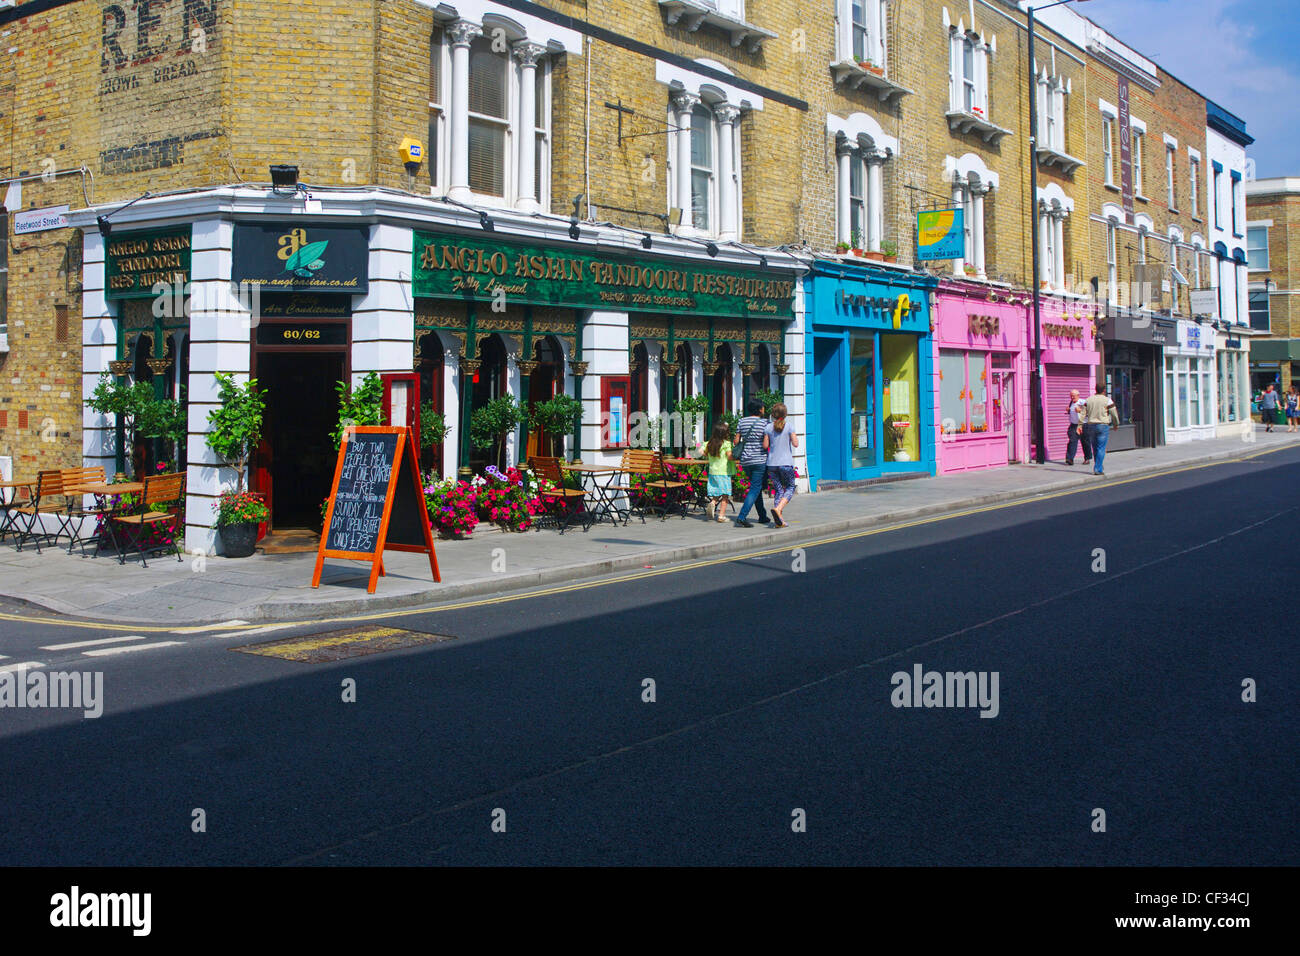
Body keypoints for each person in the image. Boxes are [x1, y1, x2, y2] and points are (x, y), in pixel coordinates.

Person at [733, 399, 771, 528]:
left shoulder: (742, 421)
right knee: (755, 488)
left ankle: (762, 516)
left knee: (756, 487)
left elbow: (736, 441)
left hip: (745, 460)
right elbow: (767, 443)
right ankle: (742, 516)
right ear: (760, 409)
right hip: (759, 459)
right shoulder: (765, 423)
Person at [763, 402, 799, 527]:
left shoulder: (768, 428)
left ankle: (780, 521)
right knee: (790, 487)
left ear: (773, 414)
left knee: (778, 490)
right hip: (786, 463)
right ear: (785, 414)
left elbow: (765, 446)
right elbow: (795, 444)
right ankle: (778, 510)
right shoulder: (789, 426)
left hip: (772, 464)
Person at [701, 420, 734, 523]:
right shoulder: (726, 444)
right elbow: (729, 456)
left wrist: (709, 455)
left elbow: (701, 452)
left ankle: (713, 502)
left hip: (713, 472)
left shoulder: (709, 443)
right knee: (725, 495)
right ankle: (721, 516)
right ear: (725, 434)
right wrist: (736, 457)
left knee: (717, 491)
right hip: (723, 472)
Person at [1083, 383, 1118, 476]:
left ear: (1095, 389)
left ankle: (1098, 465)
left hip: (1091, 425)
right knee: (1101, 448)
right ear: (1104, 390)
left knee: (1095, 447)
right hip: (1102, 426)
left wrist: (1079, 425)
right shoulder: (1108, 400)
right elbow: (1113, 413)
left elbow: (1083, 413)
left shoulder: (1088, 400)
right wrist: (1116, 424)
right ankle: (1098, 468)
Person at [1065, 388, 1091, 466]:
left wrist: (1080, 411)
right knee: (1072, 441)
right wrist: (1068, 411)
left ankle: (1087, 458)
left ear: (1078, 395)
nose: (1072, 397)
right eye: (1071, 396)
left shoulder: (1083, 402)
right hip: (1074, 425)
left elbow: (1089, 412)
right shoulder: (1071, 403)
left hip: (1083, 424)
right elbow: (1072, 413)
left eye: (1074, 396)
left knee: (1085, 442)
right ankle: (1070, 459)